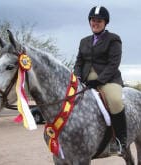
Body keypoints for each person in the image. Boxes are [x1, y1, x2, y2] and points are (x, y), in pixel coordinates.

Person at [74, 6, 127, 155]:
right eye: (93, 20)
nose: (95, 23)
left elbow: (113, 64)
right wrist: (77, 77)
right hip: (85, 81)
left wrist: (99, 81)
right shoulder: (84, 41)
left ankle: (120, 140)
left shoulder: (113, 39)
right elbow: (79, 62)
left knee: (116, 100)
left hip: (108, 80)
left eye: (99, 20)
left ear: (105, 22)